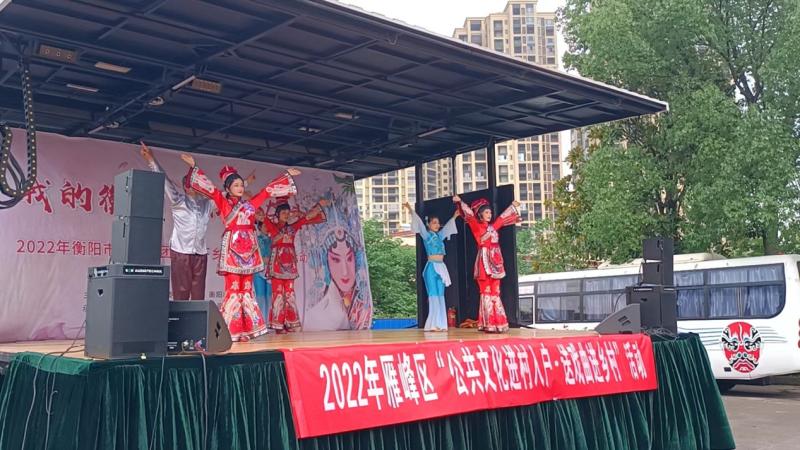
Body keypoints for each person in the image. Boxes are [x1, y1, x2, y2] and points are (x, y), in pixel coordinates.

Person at [180, 152, 299, 342]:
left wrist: (286, 176)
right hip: (233, 251)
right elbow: (210, 188)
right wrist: (193, 167)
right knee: (234, 289)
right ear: (228, 188)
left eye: (241, 185)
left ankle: (246, 330)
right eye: (236, 185)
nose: (240, 188)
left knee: (246, 290)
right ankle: (230, 331)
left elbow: (266, 192)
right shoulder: (221, 200)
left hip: (249, 251)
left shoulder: (250, 205)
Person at [140, 143, 213, 300]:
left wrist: (195, 168)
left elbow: (220, 195)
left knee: (199, 294)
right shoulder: (178, 200)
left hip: (200, 253)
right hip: (181, 252)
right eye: (189, 183)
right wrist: (151, 160)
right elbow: (164, 181)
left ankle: (197, 317)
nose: (192, 186)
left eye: (195, 183)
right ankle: (179, 316)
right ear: (185, 187)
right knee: (181, 292)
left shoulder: (207, 203)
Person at [453, 195, 520, 333]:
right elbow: (469, 215)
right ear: (480, 214)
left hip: (496, 261)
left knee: (496, 292)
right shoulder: (476, 225)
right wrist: (460, 202)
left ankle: (499, 323)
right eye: (486, 212)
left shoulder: (492, 227)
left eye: (490, 212)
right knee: (486, 292)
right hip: (484, 262)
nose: (489, 215)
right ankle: (488, 323)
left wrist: (512, 206)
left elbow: (501, 219)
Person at [262, 198, 329, 332]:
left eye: (288, 213)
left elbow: (306, 218)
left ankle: (290, 323)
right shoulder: (271, 226)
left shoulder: (292, 227)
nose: (286, 215)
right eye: (283, 213)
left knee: (290, 295)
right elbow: (260, 216)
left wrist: (319, 206)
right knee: (278, 294)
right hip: (277, 265)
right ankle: (278, 325)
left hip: (290, 265)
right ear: (277, 214)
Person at [403, 202, 458, 331]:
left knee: (441, 295)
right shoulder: (427, 235)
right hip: (432, 267)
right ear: (429, 224)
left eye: (438, 223)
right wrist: (410, 209)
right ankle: (433, 324)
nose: (437, 225)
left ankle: (441, 324)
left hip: (441, 267)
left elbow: (447, 228)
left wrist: (455, 216)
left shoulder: (440, 236)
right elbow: (419, 223)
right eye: (434, 223)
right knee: (433, 295)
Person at [303, 227, 371, 331]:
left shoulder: (362, 302)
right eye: (335, 259)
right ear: (326, 263)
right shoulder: (319, 310)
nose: (345, 271)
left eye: (349, 258)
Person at [253, 207, 272, 322]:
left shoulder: (272, 239)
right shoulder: (256, 239)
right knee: (260, 295)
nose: (267, 228)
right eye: (264, 226)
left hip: (269, 270)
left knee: (269, 295)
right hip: (258, 270)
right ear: (259, 227)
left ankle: (269, 321)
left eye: (268, 226)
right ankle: (261, 322)